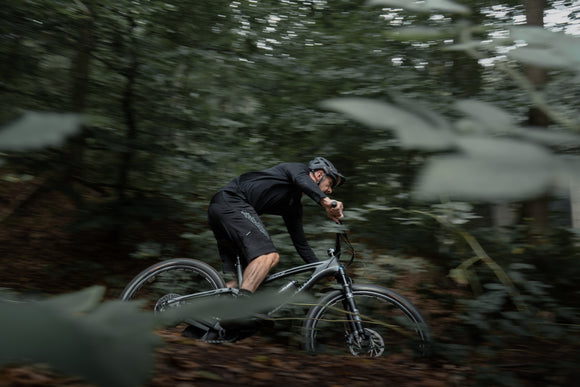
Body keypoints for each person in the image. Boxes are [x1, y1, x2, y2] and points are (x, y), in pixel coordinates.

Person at [207, 157, 346, 294]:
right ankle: (239, 309)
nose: (330, 191)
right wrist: (326, 202)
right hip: (232, 202)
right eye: (330, 183)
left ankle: (212, 312)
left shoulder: (293, 205)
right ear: (319, 174)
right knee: (268, 256)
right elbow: (301, 180)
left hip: (222, 209)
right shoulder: (297, 169)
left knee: (246, 276)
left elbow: (301, 243)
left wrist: (320, 269)